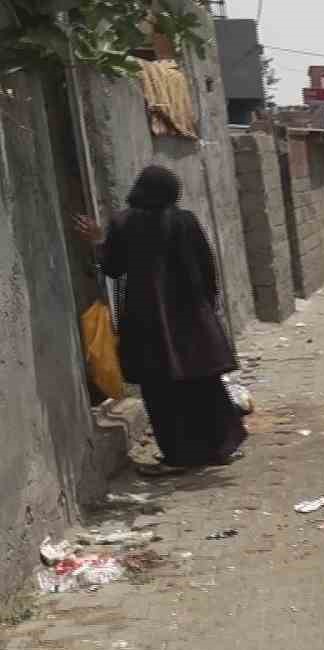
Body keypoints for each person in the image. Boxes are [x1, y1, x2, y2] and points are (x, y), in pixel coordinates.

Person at [73, 165, 246, 477]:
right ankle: (220, 447)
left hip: (147, 323)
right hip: (192, 319)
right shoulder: (185, 221)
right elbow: (207, 268)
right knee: (203, 384)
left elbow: (113, 268)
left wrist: (98, 241)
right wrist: (210, 306)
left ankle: (179, 456)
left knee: (162, 392)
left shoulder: (124, 223)